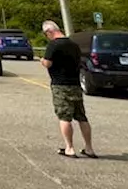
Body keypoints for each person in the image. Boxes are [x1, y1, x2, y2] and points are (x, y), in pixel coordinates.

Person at [40, 20, 96, 159]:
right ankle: (89, 148)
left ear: (49, 32)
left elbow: (48, 63)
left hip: (60, 84)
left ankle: (69, 148)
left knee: (64, 117)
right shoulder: (74, 45)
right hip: (75, 84)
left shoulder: (54, 45)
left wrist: (42, 61)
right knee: (81, 117)